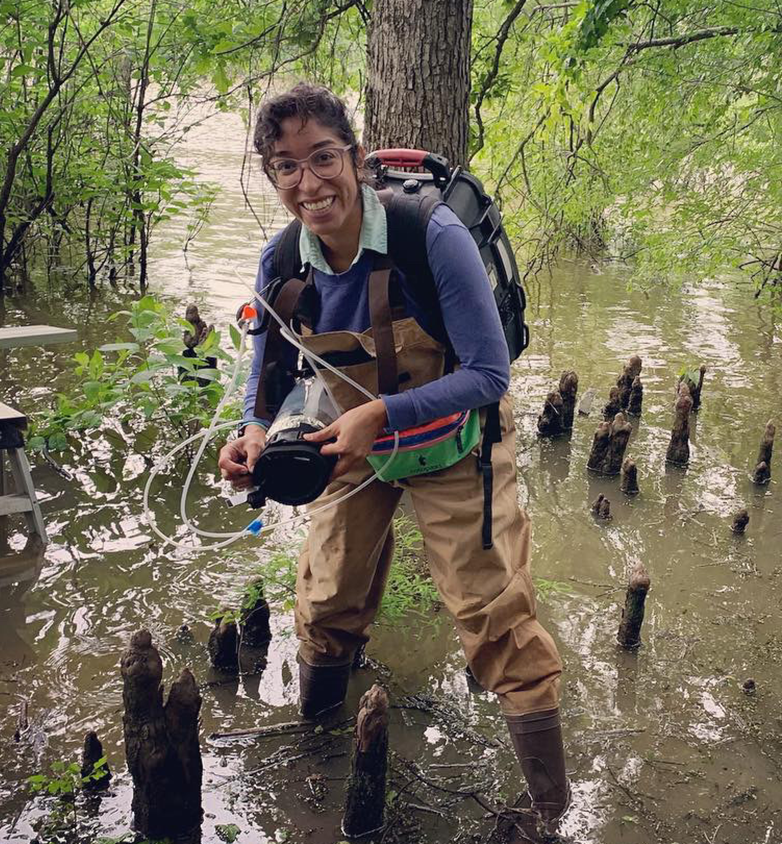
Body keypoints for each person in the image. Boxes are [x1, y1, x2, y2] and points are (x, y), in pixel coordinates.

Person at [217, 82, 568, 838]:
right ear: (271, 177)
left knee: (493, 613)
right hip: (352, 440)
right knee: (326, 598)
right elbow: (269, 376)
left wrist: (384, 415)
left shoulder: (428, 236)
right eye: (286, 167)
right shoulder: (281, 260)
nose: (309, 184)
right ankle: (318, 753)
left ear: (354, 155)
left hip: (455, 437)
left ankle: (548, 806)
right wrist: (251, 432)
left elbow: (490, 374)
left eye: (323, 158)